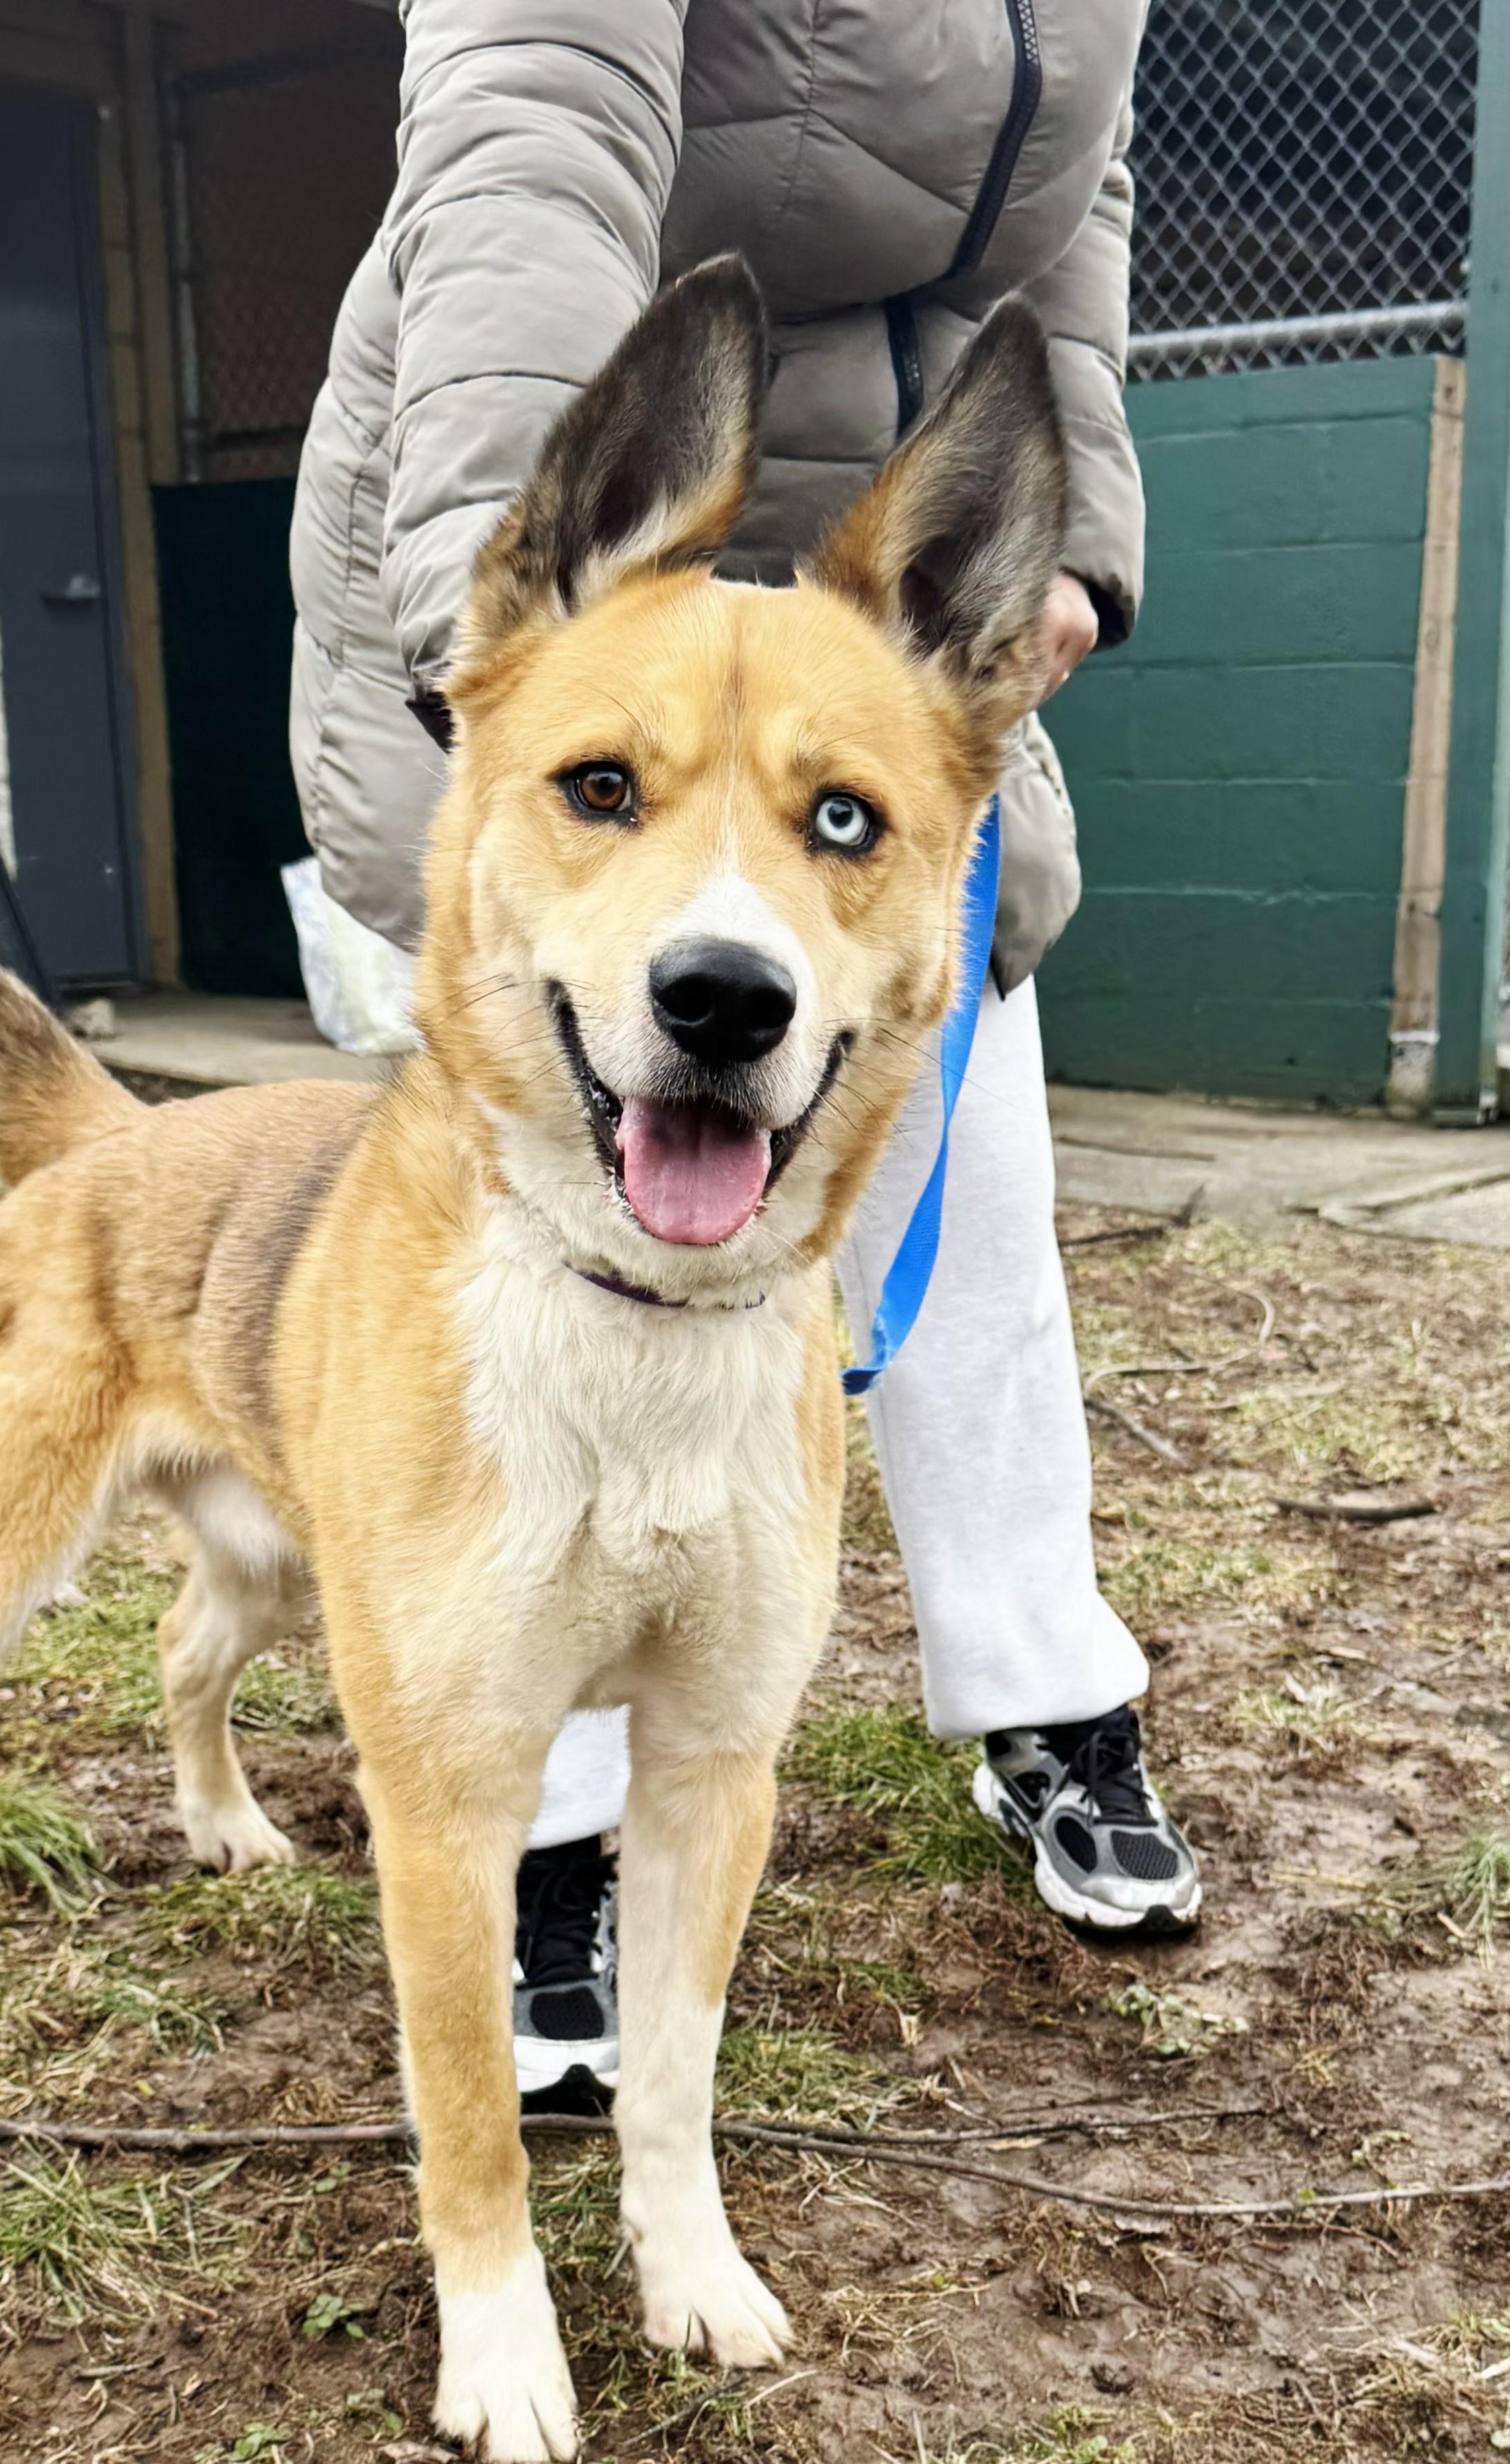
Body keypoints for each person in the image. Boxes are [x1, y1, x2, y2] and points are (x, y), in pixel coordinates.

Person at [288, 0, 1199, 2105]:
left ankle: (1044, 1689)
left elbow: (1071, 198)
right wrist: (508, 619)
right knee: (525, 1252)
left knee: (965, 1168)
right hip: (571, 475)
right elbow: (531, 130)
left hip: (897, 546)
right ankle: (550, 1826)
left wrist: (1069, 534)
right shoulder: (540, 572)